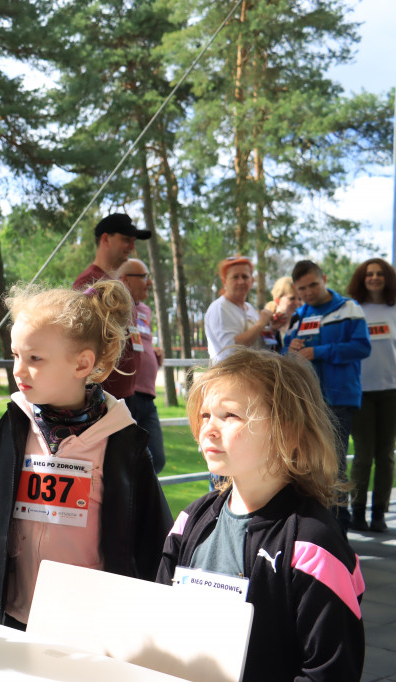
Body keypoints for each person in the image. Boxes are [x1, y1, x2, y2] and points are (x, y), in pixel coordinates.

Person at [0, 281, 172, 630]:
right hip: (18, 615)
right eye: (16, 355)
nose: (19, 371)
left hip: (93, 625)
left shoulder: (124, 444)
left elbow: (153, 541)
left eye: (35, 359)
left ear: (82, 364)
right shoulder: (13, 428)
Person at [157, 349, 365, 681]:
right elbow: (159, 626)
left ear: (289, 431)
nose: (208, 428)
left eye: (230, 416)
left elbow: (330, 670)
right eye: (205, 414)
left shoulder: (313, 547)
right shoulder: (189, 522)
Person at [284, 259, 370, 533]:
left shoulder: (349, 308)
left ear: (325, 278)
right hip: (307, 401)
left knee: (334, 462)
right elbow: (288, 346)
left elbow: (361, 347)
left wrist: (319, 352)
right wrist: (293, 344)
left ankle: (338, 526)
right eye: (302, 289)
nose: (308, 292)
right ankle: (316, 524)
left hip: (339, 399)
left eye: (313, 285)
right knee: (308, 462)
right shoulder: (300, 314)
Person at [72, 213, 150, 400]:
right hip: (103, 397)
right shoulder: (90, 282)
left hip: (124, 395)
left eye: (133, 241)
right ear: (105, 239)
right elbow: (80, 339)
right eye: (126, 240)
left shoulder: (115, 282)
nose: (132, 247)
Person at [346, 258, 396, 532]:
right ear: (362, 279)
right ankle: (357, 512)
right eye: (369, 274)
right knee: (363, 455)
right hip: (361, 392)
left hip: (391, 391)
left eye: (379, 274)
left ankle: (379, 514)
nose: (374, 278)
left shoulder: (394, 308)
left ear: (387, 277)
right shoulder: (354, 309)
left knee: (386, 455)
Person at [120, 258, 167, 473]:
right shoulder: (116, 307)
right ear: (125, 280)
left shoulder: (146, 310)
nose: (149, 283)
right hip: (127, 394)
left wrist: (153, 352)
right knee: (129, 459)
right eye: (144, 277)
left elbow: (141, 340)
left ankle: (137, 501)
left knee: (157, 458)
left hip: (148, 395)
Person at [204, 256, 285, 361]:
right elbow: (232, 351)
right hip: (229, 375)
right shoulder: (220, 308)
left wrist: (272, 329)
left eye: (245, 277)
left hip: (253, 373)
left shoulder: (249, 308)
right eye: (235, 277)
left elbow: (264, 347)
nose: (241, 282)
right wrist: (261, 323)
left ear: (252, 281)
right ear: (224, 281)